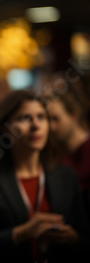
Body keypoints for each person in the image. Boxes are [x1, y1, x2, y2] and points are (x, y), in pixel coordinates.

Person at [0, 90, 90, 263]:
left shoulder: (65, 176)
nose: (36, 125)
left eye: (42, 117)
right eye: (25, 118)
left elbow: (85, 240)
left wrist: (73, 238)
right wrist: (20, 234)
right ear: (5, 127)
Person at [46, 92, 90, 220]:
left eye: (56, 119)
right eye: (48, 120)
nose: (51, 127)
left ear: (73, 116)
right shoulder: (54, 157)